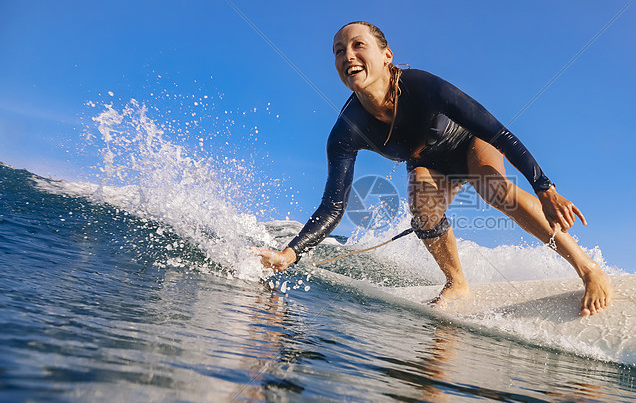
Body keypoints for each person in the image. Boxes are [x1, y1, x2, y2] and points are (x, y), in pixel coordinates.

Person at [256, 22, 612, 315]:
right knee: (423, 208)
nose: (347, 55)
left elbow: (498, 133)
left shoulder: (422, 87)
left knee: (493, 189)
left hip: (471, 144)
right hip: (430, 161)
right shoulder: (347, 130)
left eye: (358, 45)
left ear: (386, 55)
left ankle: (588, 269)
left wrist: (544, 187)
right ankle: (457, 283)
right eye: (338, 51)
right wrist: (292, 251)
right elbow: (333, 205)